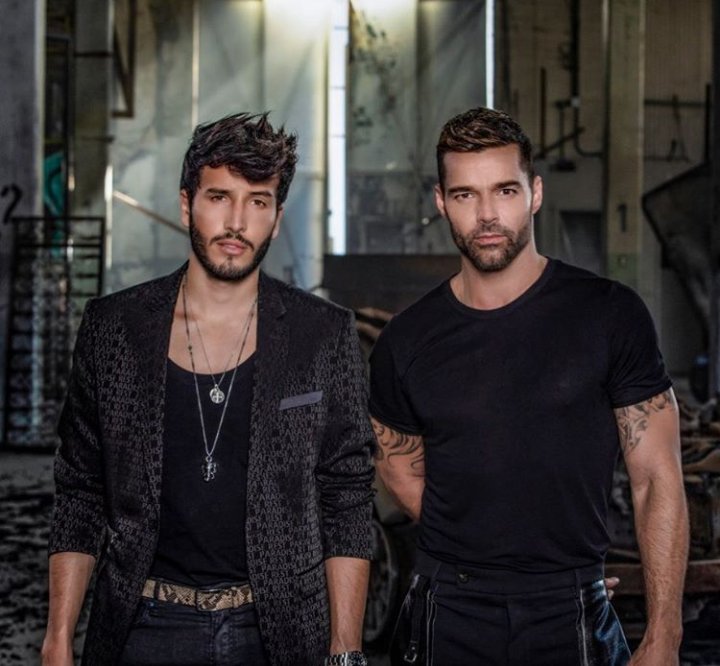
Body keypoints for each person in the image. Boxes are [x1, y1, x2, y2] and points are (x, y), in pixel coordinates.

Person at [41, 112, 375, 666]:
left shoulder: (322, 334)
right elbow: (80, 489)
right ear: (186, 204)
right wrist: (57, 640)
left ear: (277, 217)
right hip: (144, 625)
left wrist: (345, 650)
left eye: (258, 202)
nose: (237, 222)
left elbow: (346, 496)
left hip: (278, 629)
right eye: (219, 197)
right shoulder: (114, 328)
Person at [369, 107, 688, 665]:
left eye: (505, 190)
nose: (487, 215)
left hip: (571, 606)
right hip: (449, 607)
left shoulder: (609, 314)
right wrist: (498, 554)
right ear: (441, 202)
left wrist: (665, 633)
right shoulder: (407, 338)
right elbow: (397, 465)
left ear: (535, 193)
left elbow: (656, 479)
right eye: (465, 195)